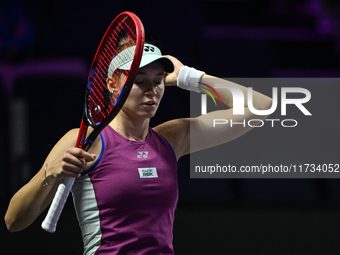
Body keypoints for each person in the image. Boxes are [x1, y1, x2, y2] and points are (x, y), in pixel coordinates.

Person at [4, 43, 272, 254]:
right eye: (139, 80)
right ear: (111, 84)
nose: (152, 90)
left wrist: (189, 77)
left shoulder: (173, 137)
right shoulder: (85, 140)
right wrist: (47, 176)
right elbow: (13, 221)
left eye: (157, 81)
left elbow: (261, 107)